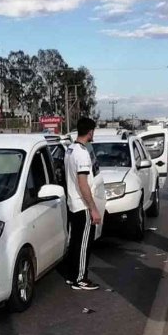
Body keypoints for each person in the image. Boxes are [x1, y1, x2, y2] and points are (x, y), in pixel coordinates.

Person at [61, 117, 102, 291]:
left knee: (76, 242)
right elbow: (83, 183)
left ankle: (72, 276)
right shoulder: (82, 154)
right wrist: (93, 209)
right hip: (82, 205)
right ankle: (80, 278)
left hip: (72, 204)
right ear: (90, 131)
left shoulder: (70, 149)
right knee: (84, 244)